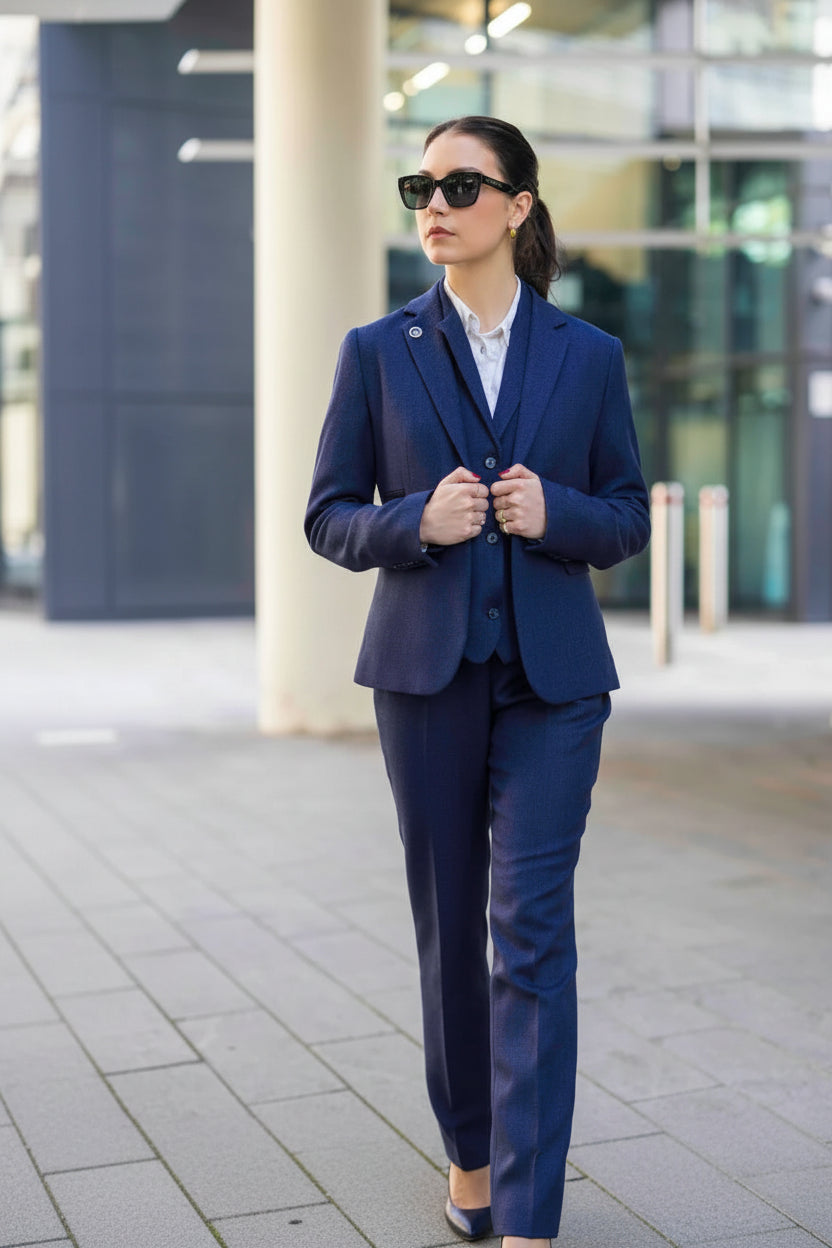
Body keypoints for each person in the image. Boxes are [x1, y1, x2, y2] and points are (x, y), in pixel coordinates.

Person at [305, 115, 650, 1248]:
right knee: (451, 924)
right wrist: (415, 521)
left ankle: (529, 1218)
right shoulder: (376, 350)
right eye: (421, 184)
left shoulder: (589, 356)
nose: (434, 205)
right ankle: (468, 1151)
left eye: (460, 185)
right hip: (425, 676)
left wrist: (561, 515)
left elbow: (626, 517)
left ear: (518, 207)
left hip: (553, 685)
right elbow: (329, 516)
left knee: (530, 927)